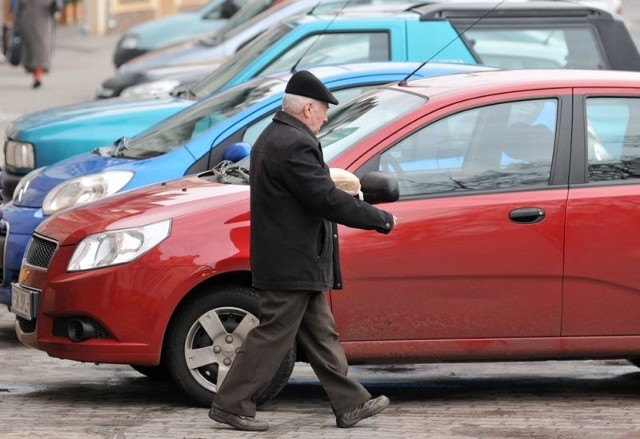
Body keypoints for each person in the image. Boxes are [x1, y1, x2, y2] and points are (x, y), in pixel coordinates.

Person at [208, 70, 397, 432]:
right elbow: (322, 198)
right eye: (323, 109)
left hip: (298, 261)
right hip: (291, 262)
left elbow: (309, 192)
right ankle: (230, 403)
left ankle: (351, 403)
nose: (326, 116)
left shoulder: (277, 135)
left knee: (322, 335)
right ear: (307, 108)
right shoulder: (294, 143)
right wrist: (379, 218)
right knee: (273, 333)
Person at [14, 0, 59, 88]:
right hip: (36, 21)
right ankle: (37, 75)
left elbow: (18, 9)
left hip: (32, 21)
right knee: (38, 50)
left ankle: (37, 75)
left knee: (36, 50)